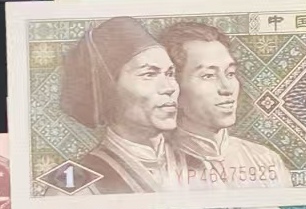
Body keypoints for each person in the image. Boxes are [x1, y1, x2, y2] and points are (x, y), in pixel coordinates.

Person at [59, 15, 187, 194]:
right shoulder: (76, 184)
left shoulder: (201, 163)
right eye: (149, 74)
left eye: (170, 74)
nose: (169, 88)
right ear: (109, 88)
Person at [159, 21, 292, 190]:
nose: (227, 88)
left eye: (230, 73)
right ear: (174, 87)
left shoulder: (265, 161)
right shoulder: (156, 169)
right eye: (208, 76)